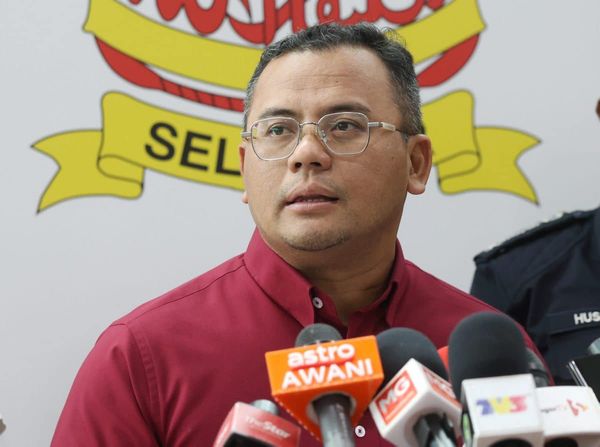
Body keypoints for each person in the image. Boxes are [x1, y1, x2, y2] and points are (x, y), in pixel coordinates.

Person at [51, 23, 538, 446]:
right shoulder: (141, 358)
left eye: (343, 125)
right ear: (245, 168)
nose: (306, 154)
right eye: (279, 130)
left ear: (416, 163)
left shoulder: (493, 357)